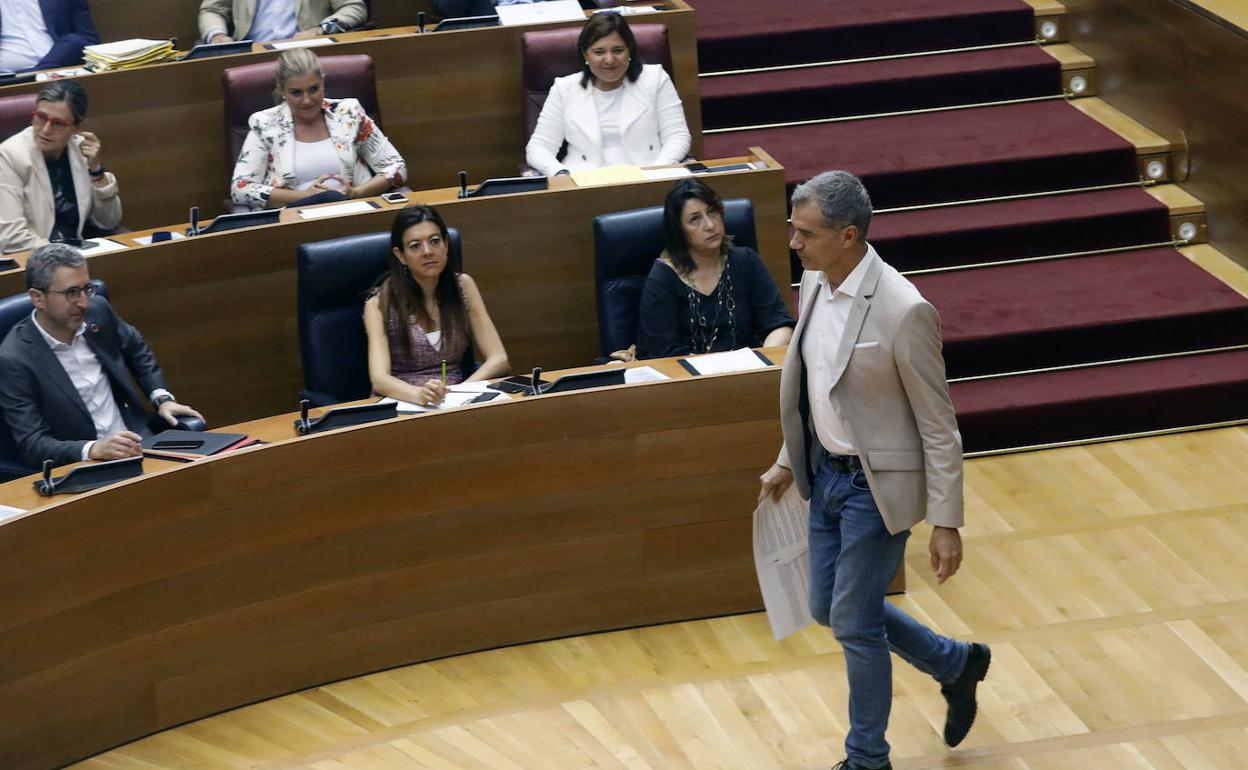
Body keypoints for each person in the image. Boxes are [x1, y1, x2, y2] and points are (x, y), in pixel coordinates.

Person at [757, 171, 989, 770]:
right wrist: (788, 459)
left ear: (850, 236)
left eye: (806, 233)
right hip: (823, 476)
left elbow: (939, 424)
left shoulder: (904, 310)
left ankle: (867, 760)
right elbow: (818, 386)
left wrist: (946, 521)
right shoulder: (814, 281)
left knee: (855, 626)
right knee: (826, 607)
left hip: (874, 488)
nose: (794, 243)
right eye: (793, 229)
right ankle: (954, 663)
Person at [0, 243, 204, 468]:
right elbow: (33, 444)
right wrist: (93, 449)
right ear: (38, 298)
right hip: (84, 467)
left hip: (141, 442)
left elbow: (135, 346)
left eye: (86, 289)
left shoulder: (98, 311)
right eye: (71, 293)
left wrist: (161, 397)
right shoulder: (14, 358)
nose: (84, 303)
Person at [364, 205, 509, 407]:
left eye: (434, 241)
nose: (428, 252)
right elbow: (379, 379)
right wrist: (419, 395)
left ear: (446, 245)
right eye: (415, 246)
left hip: (454, 400)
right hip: (402, 405)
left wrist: (461, 392)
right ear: (400, 255)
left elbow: (499, 358)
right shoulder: (379, 305)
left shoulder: (463, 287)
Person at [635, 178, 793, 359]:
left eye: (712, 212)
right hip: (689, 380)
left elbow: (778, 323)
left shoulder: (746, 261)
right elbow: (662, 352)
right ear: (679, 231)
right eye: (695, 219)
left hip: (748, 372)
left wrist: (763, 358)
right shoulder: (663, 278)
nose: (710, 225)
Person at [230, 48, 406, 211]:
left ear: (323, 82)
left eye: (313, 89)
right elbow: (240, 188)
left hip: (354, 210)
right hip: (294, 219)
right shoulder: (265, 124)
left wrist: (357, 193)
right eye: (296, 93)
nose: (307, 101)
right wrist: (304, 197)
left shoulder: (348, 113)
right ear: (282, 89)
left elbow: (396, 167)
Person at [525, 12, 690, 178]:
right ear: (585, 54)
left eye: (618, 50)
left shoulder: (655, 79)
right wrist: (559, 174)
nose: (610, 60)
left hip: (648, 176)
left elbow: (678, 136)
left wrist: (658, 172)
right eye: (599, 52)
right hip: (584, 181)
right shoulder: (565, 88)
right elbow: (538, 147)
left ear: (630, 50)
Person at [0, 79, 120, 255]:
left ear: (76, 127)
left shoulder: (81, 151)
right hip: (33, 261)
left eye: (58, 123)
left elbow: (109, 221)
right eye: (40, 117)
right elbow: (11, 238)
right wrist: (67, 256)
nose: (46, 130)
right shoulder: (9, 156)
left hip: (77, 256)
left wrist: (96, 170)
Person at [199, 0, 367, 44]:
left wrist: (320, 30)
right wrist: (217, 35)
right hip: (251, 53)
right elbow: (212, 10)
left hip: (307, 51)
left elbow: (353, 6)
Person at [0, 0, 99, 72]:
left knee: (74, 42)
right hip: (5, 78)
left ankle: (35, 74)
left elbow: (90, 43)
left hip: (61, 71)